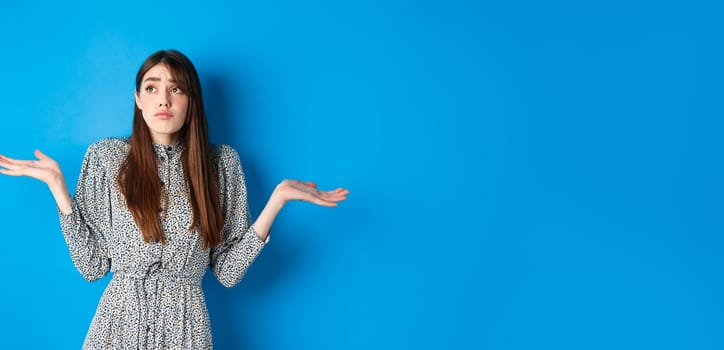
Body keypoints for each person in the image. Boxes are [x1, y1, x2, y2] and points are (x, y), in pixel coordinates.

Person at [0, 49, 349, 349]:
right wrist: (60, 191)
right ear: (138, 99)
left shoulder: (222, 164)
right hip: (116, 328)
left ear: (191, 100)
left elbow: (227, 272)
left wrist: (276, 202)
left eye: (176, 89)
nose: (163, 99)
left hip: (187, 330)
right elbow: (92, 267)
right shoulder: (106, 158)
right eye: (152, 88)